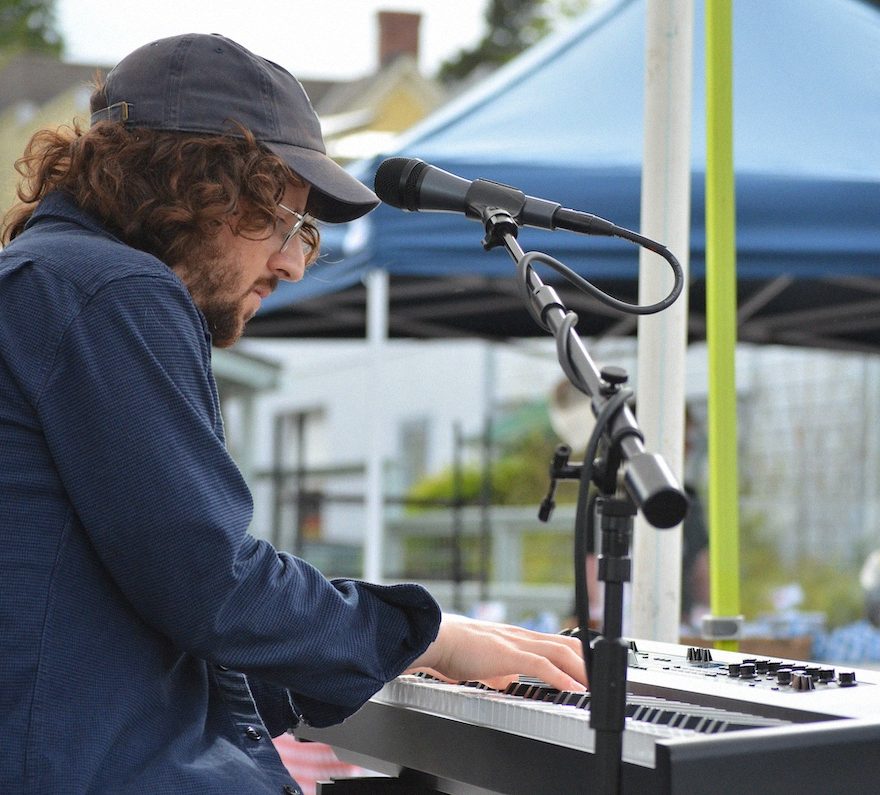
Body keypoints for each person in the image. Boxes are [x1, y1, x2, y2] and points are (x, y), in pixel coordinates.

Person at [0, 34, 585, 793]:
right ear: (188, 182)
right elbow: (209, 583)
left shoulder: (51, 284)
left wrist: (397, 653)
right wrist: (426, 633)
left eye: (305, 233)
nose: (293, 262)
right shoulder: (110, 291)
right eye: (281, 219)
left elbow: (134, 625)